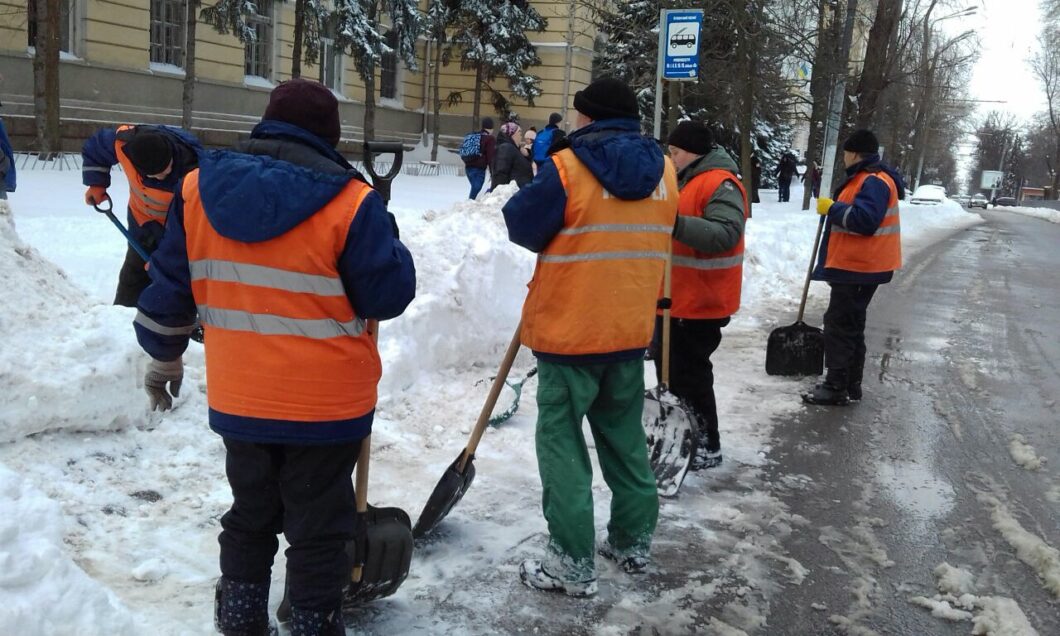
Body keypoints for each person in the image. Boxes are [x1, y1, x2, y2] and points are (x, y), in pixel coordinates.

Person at [131, 78, 416, 635]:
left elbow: (168, 288)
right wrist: (388, 237)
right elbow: (388, 295)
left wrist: (164, 358)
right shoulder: (352, 201)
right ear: (330, 136)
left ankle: (240, 620)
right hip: (327, 406)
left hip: (243, 400)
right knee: (319, 525)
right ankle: (312, 623)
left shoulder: (196, 189)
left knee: (251, 513)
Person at [502, 77, 678, 597]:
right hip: (628, 331)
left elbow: (521, 224)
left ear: (587, 117)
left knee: (562, 447)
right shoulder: (666, 170)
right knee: (624, 440)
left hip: (569, 333)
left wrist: (545, 176)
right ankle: (631, 540)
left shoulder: (567, 168)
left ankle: (572, 560)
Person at [652, 120, 748, 470]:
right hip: (675, 298)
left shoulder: (721, 183)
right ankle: (684, 435)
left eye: (675, 152)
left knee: (690, 375)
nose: (671, 158)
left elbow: (725, 234)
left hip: (701, 300)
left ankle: (706, 444)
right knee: (672, 374)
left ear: (691, 152)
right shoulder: (684, 180)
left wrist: (674, 224)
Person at [803, 129, 902, 406]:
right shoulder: (867, 178)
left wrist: (832, 208)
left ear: (855, 153)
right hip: (860, 267)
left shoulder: (873, 181)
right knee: (851, 325)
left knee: (839, 325)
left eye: (846, 153)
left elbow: (865, 220)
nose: (844, 158)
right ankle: (850, 384)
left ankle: (836, 386)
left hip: (860, 267)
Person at [82, 124, 202, 306]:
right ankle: (122, 312)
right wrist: (97, 184)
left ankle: (179, 317)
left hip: (177, 230)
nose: (162, 176)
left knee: (173, 276)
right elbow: (97, 147)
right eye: (155, 174)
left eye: (166, 169)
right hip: (140, 220)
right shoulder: (123, 144)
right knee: (135, 269)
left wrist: (165, 258)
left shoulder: (195, 168)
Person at [493, 121, 534, 188]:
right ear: (511, 134)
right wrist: (502, 195)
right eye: (519, 132)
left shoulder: (513, 148)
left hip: (519, 193)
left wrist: (526, 153)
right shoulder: (505, 148)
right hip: (512, 194)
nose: (521, 135)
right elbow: (500, 174)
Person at [463, 117, 496, 199]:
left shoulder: (475, 136)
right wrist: (493, 172)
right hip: (479, 170)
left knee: (475, 190)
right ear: (491, 128)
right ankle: (469, 205)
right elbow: (490, 157)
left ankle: (470, 204)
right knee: (476, 190)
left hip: (468, 167)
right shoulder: (490, 139)